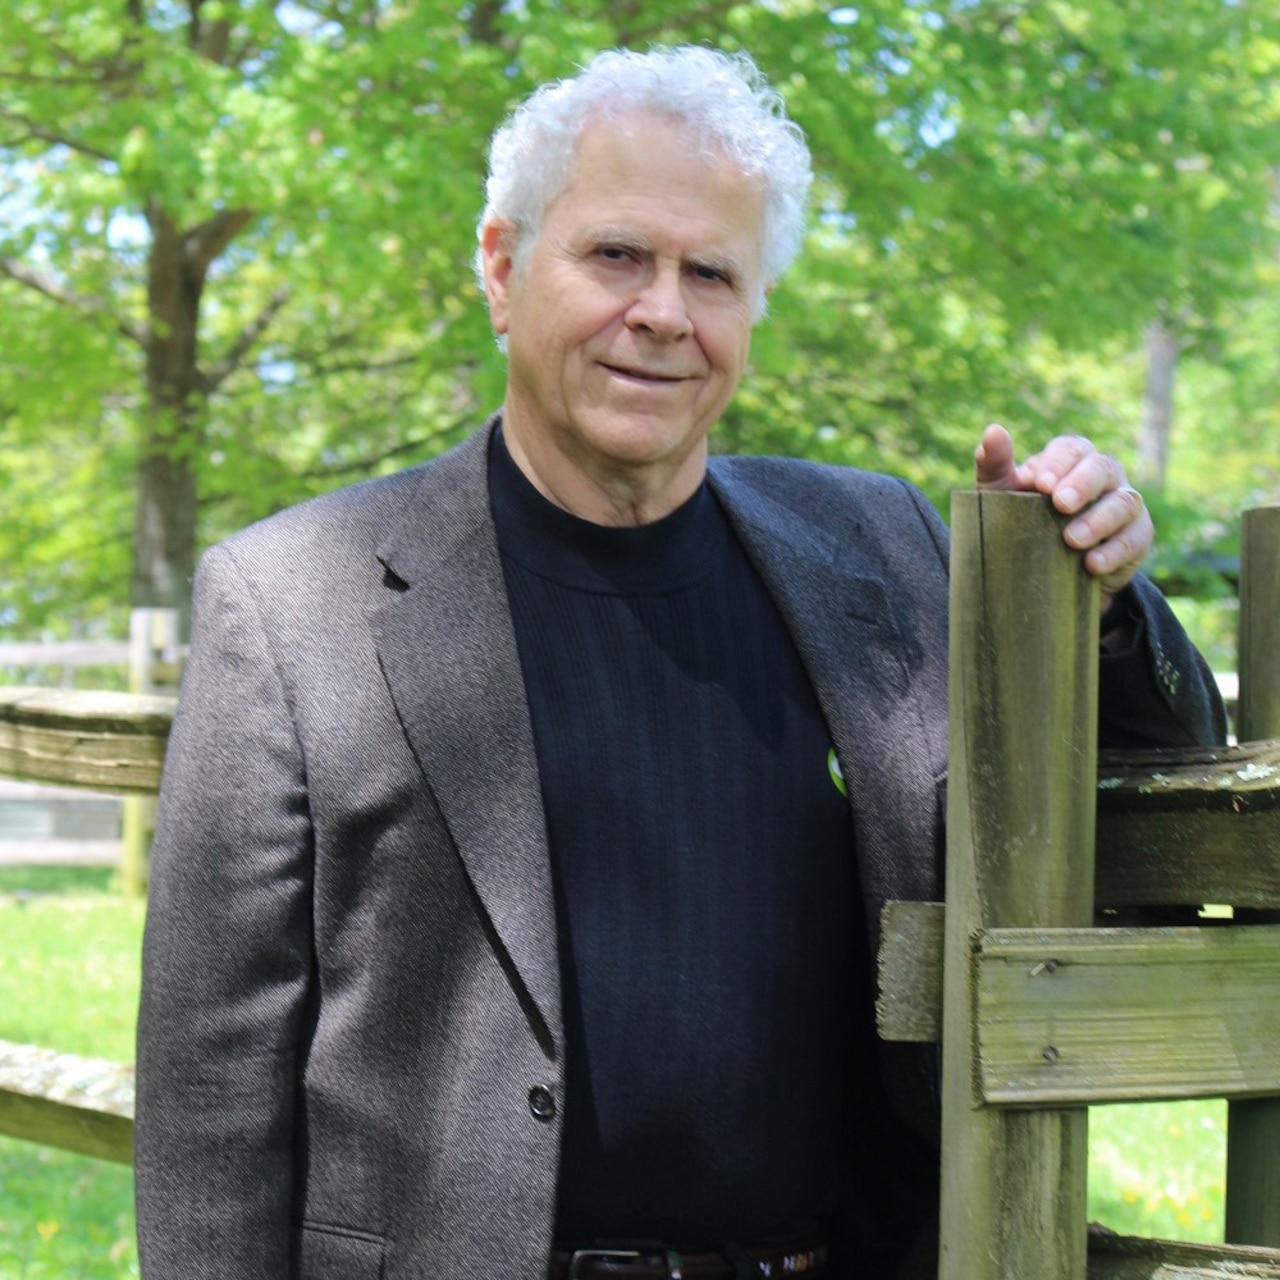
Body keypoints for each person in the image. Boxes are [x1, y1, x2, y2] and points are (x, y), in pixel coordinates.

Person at [134, 45, 1226, 1280]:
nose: (661, 310)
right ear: (501, 267)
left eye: (710, 272)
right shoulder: (293, 601)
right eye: (614, 256)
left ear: (751, 308)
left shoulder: (881, 547)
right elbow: (210, 1091)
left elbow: (1163, 840)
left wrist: (1096, 604)